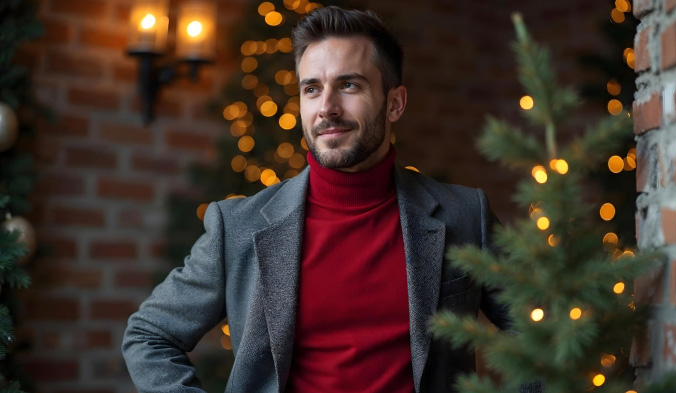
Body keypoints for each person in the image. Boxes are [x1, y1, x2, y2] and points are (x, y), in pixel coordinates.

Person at [122, 6, 512, 393]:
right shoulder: (237, 226)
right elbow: (148, 336)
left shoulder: (465, 215)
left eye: (349, 85)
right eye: (311, 89)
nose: (326, 108)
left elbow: (546, 333)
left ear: (395, 103)